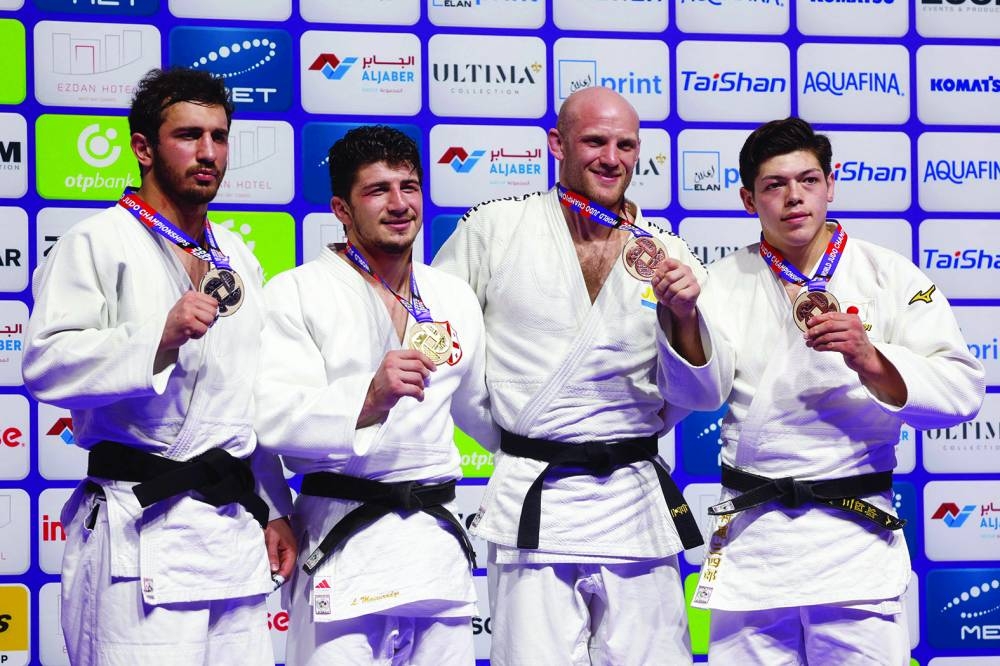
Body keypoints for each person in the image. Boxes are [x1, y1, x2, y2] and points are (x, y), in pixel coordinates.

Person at [660, 117, 986, 665]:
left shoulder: (889, 276)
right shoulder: (720, 281)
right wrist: (684, 320)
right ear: (748, 199)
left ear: (830, 186)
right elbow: (697, 395)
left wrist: (870, 358)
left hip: (853, 539)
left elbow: (961, 390)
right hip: (754, 540)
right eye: (774, 185)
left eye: (808, 181)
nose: (794, 198)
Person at [22, 67, 295, 666]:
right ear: (143, 147)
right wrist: (158, 340)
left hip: (231, 535)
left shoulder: (237, 257)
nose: (208, 153)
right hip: (139, 528)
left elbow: (248, 401)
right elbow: (44, 364)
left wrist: (276, 509)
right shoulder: (97, 242)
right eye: (189, 135)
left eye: (220, 137)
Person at [433, 86, 707, 665]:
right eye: (595, 141)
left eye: (626, 144)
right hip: (536, 496)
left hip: (633, 500)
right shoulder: (494, 229)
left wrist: (684, 316)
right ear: (557, 144)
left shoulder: (665, 251)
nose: (612, 157)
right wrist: (514, 440)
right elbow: (444, 349)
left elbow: (697, 391)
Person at [253, 125, 497, 666]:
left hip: (435, 546)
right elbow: (271, 421)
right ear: (342, 207)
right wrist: (369, 397)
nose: (399, 204)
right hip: (344, 538)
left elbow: (483, 411)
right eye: (377, 190)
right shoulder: (296, 293)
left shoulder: (452, 295)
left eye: (409, 187)